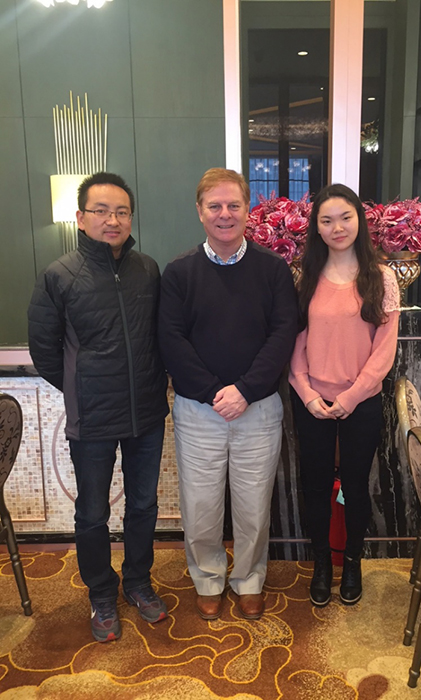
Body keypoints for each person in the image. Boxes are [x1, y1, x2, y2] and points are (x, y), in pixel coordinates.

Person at [28, 172, 169, 642]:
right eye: (102, 211)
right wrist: (80, 389)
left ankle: (137, 582)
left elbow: (160, 336)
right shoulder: (59, 275)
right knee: (92, 513)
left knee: (143, 505)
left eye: (122, 212)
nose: (113, 220)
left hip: (146, 412)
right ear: (81, 217)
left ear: (131, 218)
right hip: (91, 420)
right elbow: (44, 350)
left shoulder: (147, 269)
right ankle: (101, 593)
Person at [158, 168, 297, 621]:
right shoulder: (179, 273)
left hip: (258, 408)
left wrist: (245, 390)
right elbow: (171, 340)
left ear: (247, 210)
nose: (224, 214)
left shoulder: (272, 269)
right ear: (199, 212)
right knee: (201, 506)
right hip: (199, 410)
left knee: (254, 505)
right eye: (214, 206)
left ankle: (250, 579)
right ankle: (208, 578)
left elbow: (283, 334)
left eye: (233, 205)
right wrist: (215, 392)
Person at [289, 183, 400, 607]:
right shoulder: (305, 277)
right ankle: (321, 563)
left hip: (362, 402)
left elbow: (384, 351)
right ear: (316, 228)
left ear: (360, 221)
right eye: (327, 220)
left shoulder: (381, 278)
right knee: (315, 487)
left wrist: (352, 398)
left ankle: (352, 562)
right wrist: (306, 392)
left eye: (345, 218)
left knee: (355, 487)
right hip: (311, 403)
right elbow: (295, 345)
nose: (337, 227)